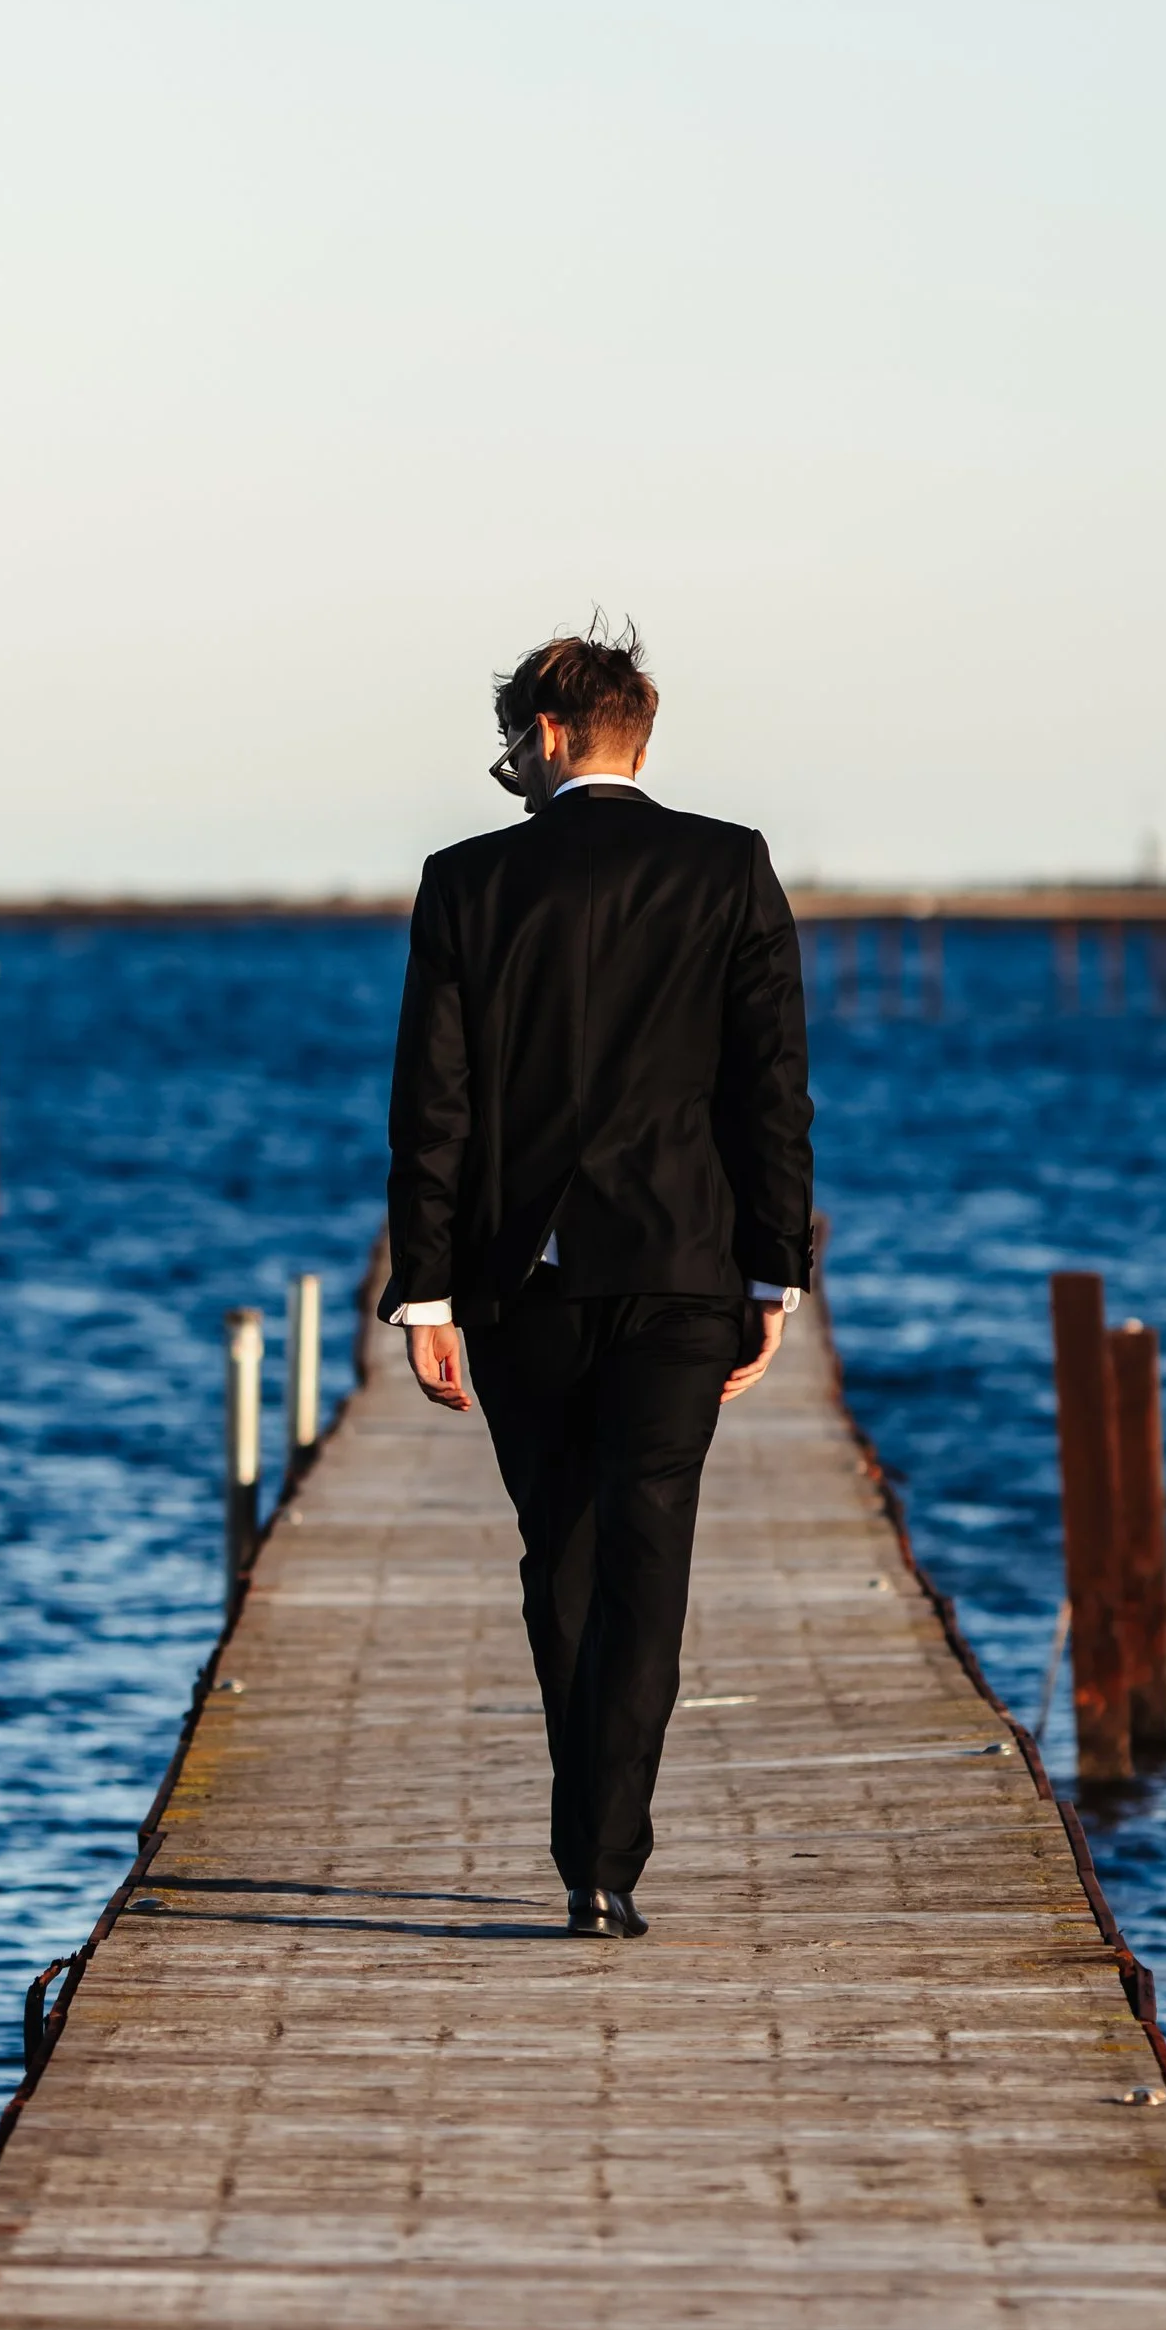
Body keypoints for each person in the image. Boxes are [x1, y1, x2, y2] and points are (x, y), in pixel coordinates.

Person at [379, 623, 814, 1938]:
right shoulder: (726, 865)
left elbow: (431, 1105)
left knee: (558, 1549)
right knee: (648, 1551)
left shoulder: (465, 882)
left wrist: (428, 1291)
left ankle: (590, 1843)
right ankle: (604, 1858)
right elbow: (772, 1087)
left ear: (552, 734)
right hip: (684, 1268)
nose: (510, 761)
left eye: (517, 737)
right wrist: (775, 1272)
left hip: (523, 1283)